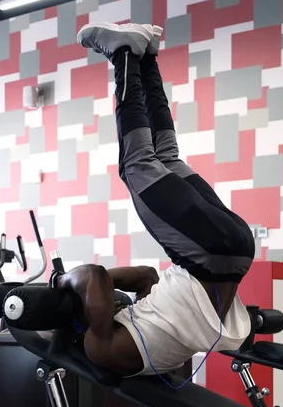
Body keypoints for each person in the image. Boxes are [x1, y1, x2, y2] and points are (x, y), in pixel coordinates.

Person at [57, 22, 255, 377]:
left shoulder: (156, 348)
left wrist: (109, 291)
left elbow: (147, 276)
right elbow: (95, 277)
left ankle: (147, 56)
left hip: (237, 250)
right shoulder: (101, 348)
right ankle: (122, 53)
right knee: (136, 165)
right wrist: (63, 284)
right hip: (205, 256)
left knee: (167, 157)